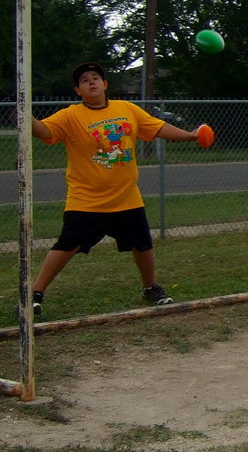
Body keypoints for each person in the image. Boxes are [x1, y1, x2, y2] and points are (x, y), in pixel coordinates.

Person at [17, 61, 206, 318]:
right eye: (85, 80)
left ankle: (151, 287)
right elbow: (44, 131)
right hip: (86, 200)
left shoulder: (127, 109)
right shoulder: (71, 116)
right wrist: (25, 114)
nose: (91, 81)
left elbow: (158, 127)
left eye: (96, 77)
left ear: (105, 84)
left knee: (143, 244)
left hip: (126, 196)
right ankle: (35, 293)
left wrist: (191, 135)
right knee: (67, 245)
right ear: (78, 90)